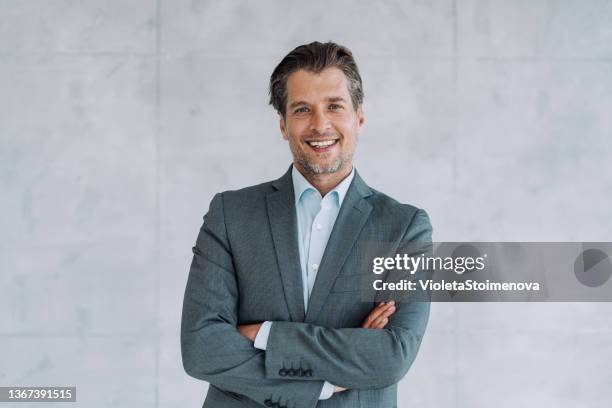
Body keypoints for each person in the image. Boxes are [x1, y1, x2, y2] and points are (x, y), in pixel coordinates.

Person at [181, 41, 432, 408]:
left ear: (359, 117)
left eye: (334, 106)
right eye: (302, 109)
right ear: (283, 124)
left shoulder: (405, 227)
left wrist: (265, 334)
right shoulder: (230, 214)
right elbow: (201, 348)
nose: (320, 125)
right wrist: (323, 383)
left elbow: (391, 355)